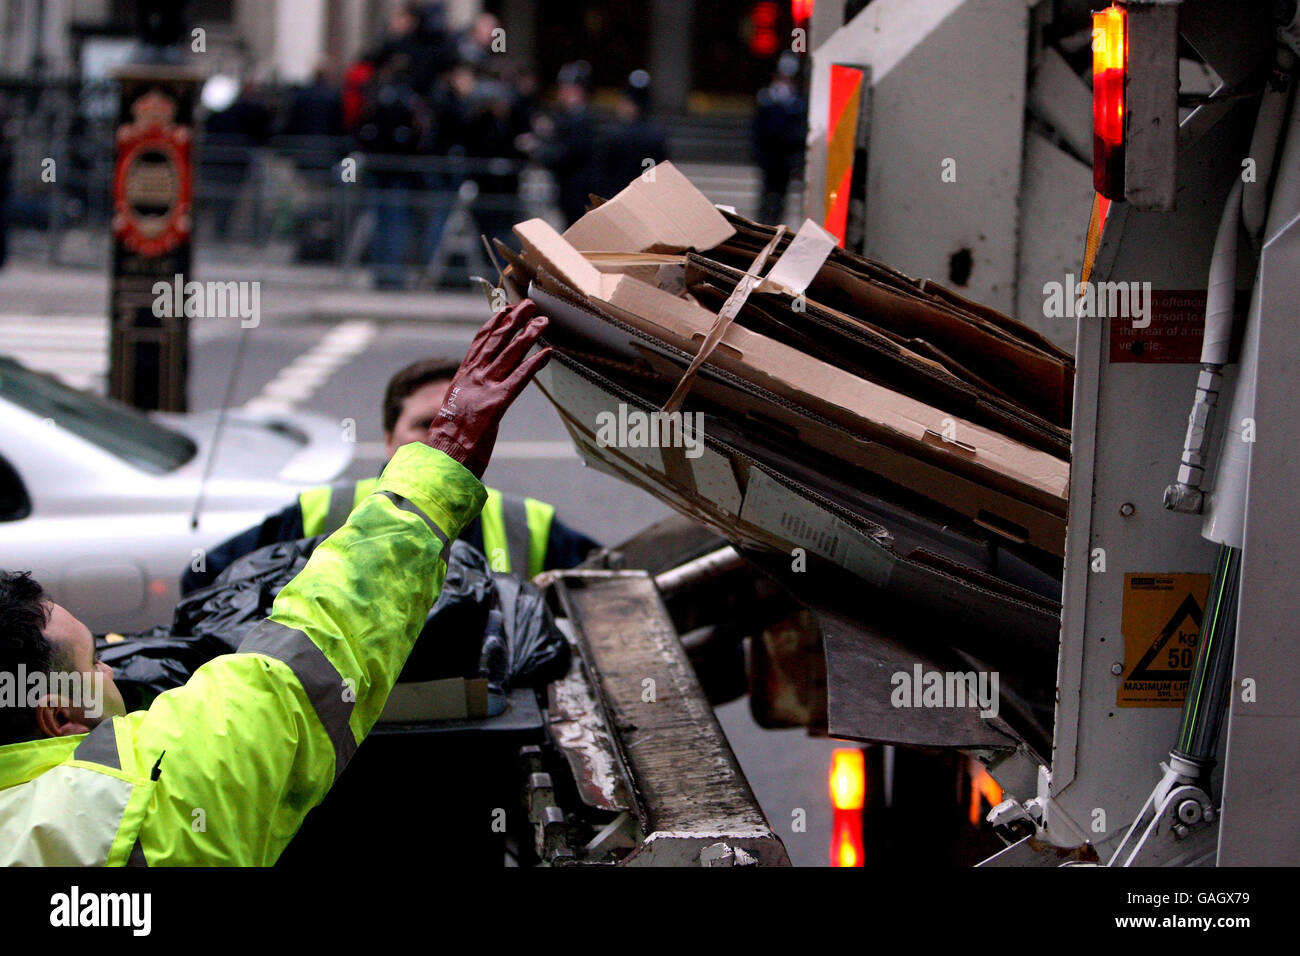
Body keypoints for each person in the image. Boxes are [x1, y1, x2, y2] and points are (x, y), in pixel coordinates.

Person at [0, 301, 551, 866]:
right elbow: (310, 650)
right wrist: (445, 459)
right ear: (58, 716)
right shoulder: (135, 794)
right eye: (95, 663)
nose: (114, 665)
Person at [181, 355, 597, 595]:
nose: (442, 442)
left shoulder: (529, 526)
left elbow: (611, 594)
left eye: (459, 426)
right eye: (426, 426)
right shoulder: (320, 513)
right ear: (387, 438)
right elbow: (204, 581)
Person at [521, 60, 597, 226]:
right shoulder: (570, 116)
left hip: (578, 190)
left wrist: (538, 149)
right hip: (569, 189)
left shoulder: (581, 119)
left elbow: (567, 153)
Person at [592, 70, 669, 201]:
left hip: (616, 199)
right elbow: (651, 174)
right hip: (642, 198)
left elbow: (602, 172)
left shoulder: (614, 135)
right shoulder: (655, 135)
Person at [752, 52, 807, 226]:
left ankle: (776, 223)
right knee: (767, 192)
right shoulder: (767, 98)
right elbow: (757, 128)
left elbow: (799, 129)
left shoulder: (797, 102)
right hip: (769, 155)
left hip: (786, 156)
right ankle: (764, 222)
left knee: (781, 194)